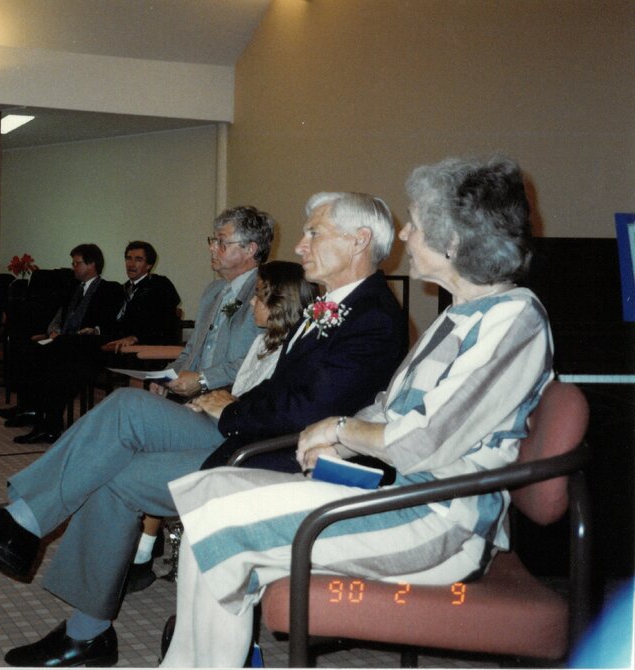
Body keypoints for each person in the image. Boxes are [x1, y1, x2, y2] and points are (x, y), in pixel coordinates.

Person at [0, 194, 408, 667]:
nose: (300, 245)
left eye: (313, 233)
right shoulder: (336, 303)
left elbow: (308, 409)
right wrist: (230, 404)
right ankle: (57, 580)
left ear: (359, 241)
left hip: (276, 457)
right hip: (248, 431)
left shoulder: (371, 318)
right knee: (124, 412)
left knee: (117, 459)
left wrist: (229, 410)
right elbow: (284, 387)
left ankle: (33, 545)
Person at [160, 155, 552, 667]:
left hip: (439, 522)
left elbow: (421, 441)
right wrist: (336, 438)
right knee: (206, 498)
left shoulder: (514, 319)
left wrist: (340, 428)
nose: (405, 234)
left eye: (416, 222)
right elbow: (392, 405)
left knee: (216, 520)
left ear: (454, 241)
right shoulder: (459, 316)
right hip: (403, 497)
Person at [5, 244, 125, 444]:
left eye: (77, 263)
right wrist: (53, 330)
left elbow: (111, 322)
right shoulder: (73, 288)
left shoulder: (109, 289)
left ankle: (48, 423)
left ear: (92, 264)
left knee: (52, 361)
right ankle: (31, 408)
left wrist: (95, 329)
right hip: (65, 341)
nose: (73, 267)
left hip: (88, 346)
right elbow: (60, 315)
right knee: (28, 349)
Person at [102, 241, 182, 352]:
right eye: (128, 258)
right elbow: (113, 320)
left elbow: (163, 322)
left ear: (149, 265)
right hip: (116, 343)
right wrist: (97, 330)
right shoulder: (121, 289)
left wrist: (136, 337)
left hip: (146, 348)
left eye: (138, 259)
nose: (131, 264)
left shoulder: (160, 285)